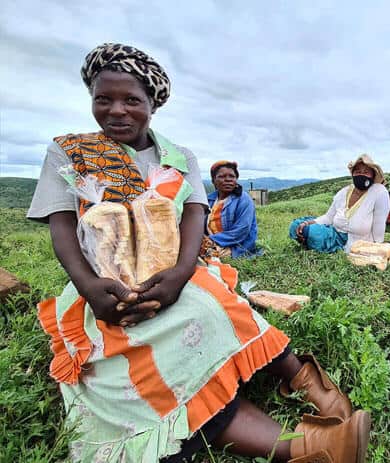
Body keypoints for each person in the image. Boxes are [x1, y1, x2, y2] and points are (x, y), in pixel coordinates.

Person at [27, 43, 370, 463]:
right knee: (126, 371)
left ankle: (303, 379)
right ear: (91, 99)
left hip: (174, 272)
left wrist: (179, 275)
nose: (117, 110)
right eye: (104, 99)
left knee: (213, 309)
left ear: (152, 104)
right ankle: (312, 449)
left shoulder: (177, 156)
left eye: (131, 100)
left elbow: (193, 217)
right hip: (103, 286)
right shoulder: (69, 152)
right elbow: (62, 227)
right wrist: (92, 289)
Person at [289, 155, 390, 253]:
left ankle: (314, 242)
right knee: (296, 226)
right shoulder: (344, 191)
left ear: (372, 175)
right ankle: (311, 240)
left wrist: (378, 246)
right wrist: (306, 223)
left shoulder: (379, 192)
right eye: (358, 171)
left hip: (355, 242)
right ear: (353, 174)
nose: (361, 175)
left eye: (366, 172)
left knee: (310, 232)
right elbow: (328, 217)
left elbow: (379, 225)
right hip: (334, 232)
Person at [204, 160, 260, 258]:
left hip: (237, 246)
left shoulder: (243, 199)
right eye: (222, 176)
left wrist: (212, 240)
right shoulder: (209, 200)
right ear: (213, 180)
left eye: (232, 176)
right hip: (211, 242)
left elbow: (241, 230)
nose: (228, 179)